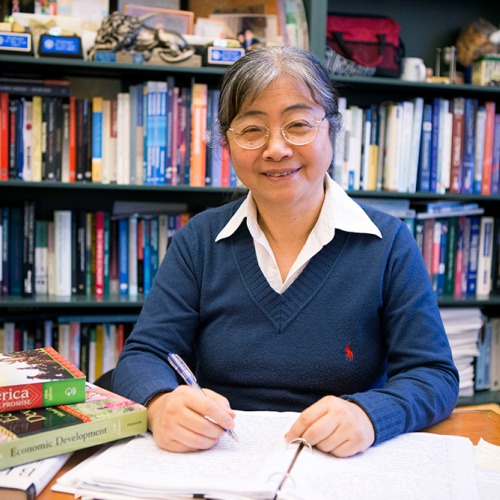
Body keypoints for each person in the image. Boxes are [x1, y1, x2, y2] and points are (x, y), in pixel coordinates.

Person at [112, 45, 459, 458]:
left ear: (332, 130)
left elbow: (434, 374)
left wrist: (371, 415)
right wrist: (161, 403)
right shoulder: (200, 240)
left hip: (342, 467)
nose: (276, 148)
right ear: (227, 143)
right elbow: (144, 355)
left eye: (298, 125)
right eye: (252, 130)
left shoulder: (388, 244)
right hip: (221, 461)